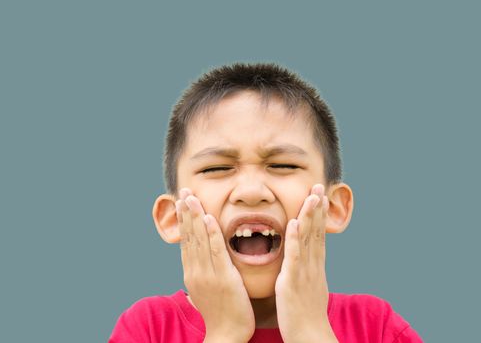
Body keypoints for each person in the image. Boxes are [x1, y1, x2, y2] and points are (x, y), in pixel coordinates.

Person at [109, 63, 423, 342]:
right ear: (172, 218)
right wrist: (225, 332)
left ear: (334, 207)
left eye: (283, 165)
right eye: (216, 168)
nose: (251, 191)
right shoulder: (147, 328)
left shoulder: (375, 326)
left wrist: (309, 330)